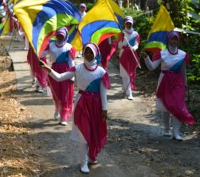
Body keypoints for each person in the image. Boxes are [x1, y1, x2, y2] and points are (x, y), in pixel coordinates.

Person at [40, 42, 110, 174]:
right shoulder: (77, 68)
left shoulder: (101, 72)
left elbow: (103, 93)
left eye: (91, 52)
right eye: (86, 51)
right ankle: (83, 163)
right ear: (83, 53)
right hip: (82, 103)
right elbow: (60, 77)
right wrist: (47, 68)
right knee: (84, 134)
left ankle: (92, 156)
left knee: (94, 132)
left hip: (96, 106)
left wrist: (104, 110)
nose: (88, 54)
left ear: (96, 54)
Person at [140, 30, 194, 141]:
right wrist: (146, 58)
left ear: (178, 40)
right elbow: (152, 67)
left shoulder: (183, 55)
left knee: (177, 107)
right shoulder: (162, 53)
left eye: (176, 38)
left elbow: (183, 71)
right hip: (164, 82)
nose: (174, 41)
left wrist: (185, 84)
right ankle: (167, 129)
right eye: (172, 38)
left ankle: (176, 133)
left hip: (178, 83)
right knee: (166, 107)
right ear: (168, 39)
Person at [42, 27, 76, 126]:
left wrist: (72, 76)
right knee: (55, 92)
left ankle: (63, 116)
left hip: (66, 71)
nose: (60, 37)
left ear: (65, 36)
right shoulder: (51, 45)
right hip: (54, 70)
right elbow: (42, 54)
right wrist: (37, 50)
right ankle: (57, 109)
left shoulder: (69, 47)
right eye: (58, 35)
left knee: (65, 94)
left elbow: (71, 62)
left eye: (62, 36)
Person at [118, 16, 140, 100]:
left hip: (132, 54)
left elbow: (137, 44)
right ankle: (129, 93)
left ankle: (126, 89)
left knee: (130, 73)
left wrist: (134, 48)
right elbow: (119, 46)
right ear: (124, 24)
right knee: (125, 74)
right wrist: (123, 40)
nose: (128, 25)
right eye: (127, 23)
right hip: (123, 54)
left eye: (130, 23)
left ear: (132, 23)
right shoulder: (122, 33)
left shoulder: (135, 34)